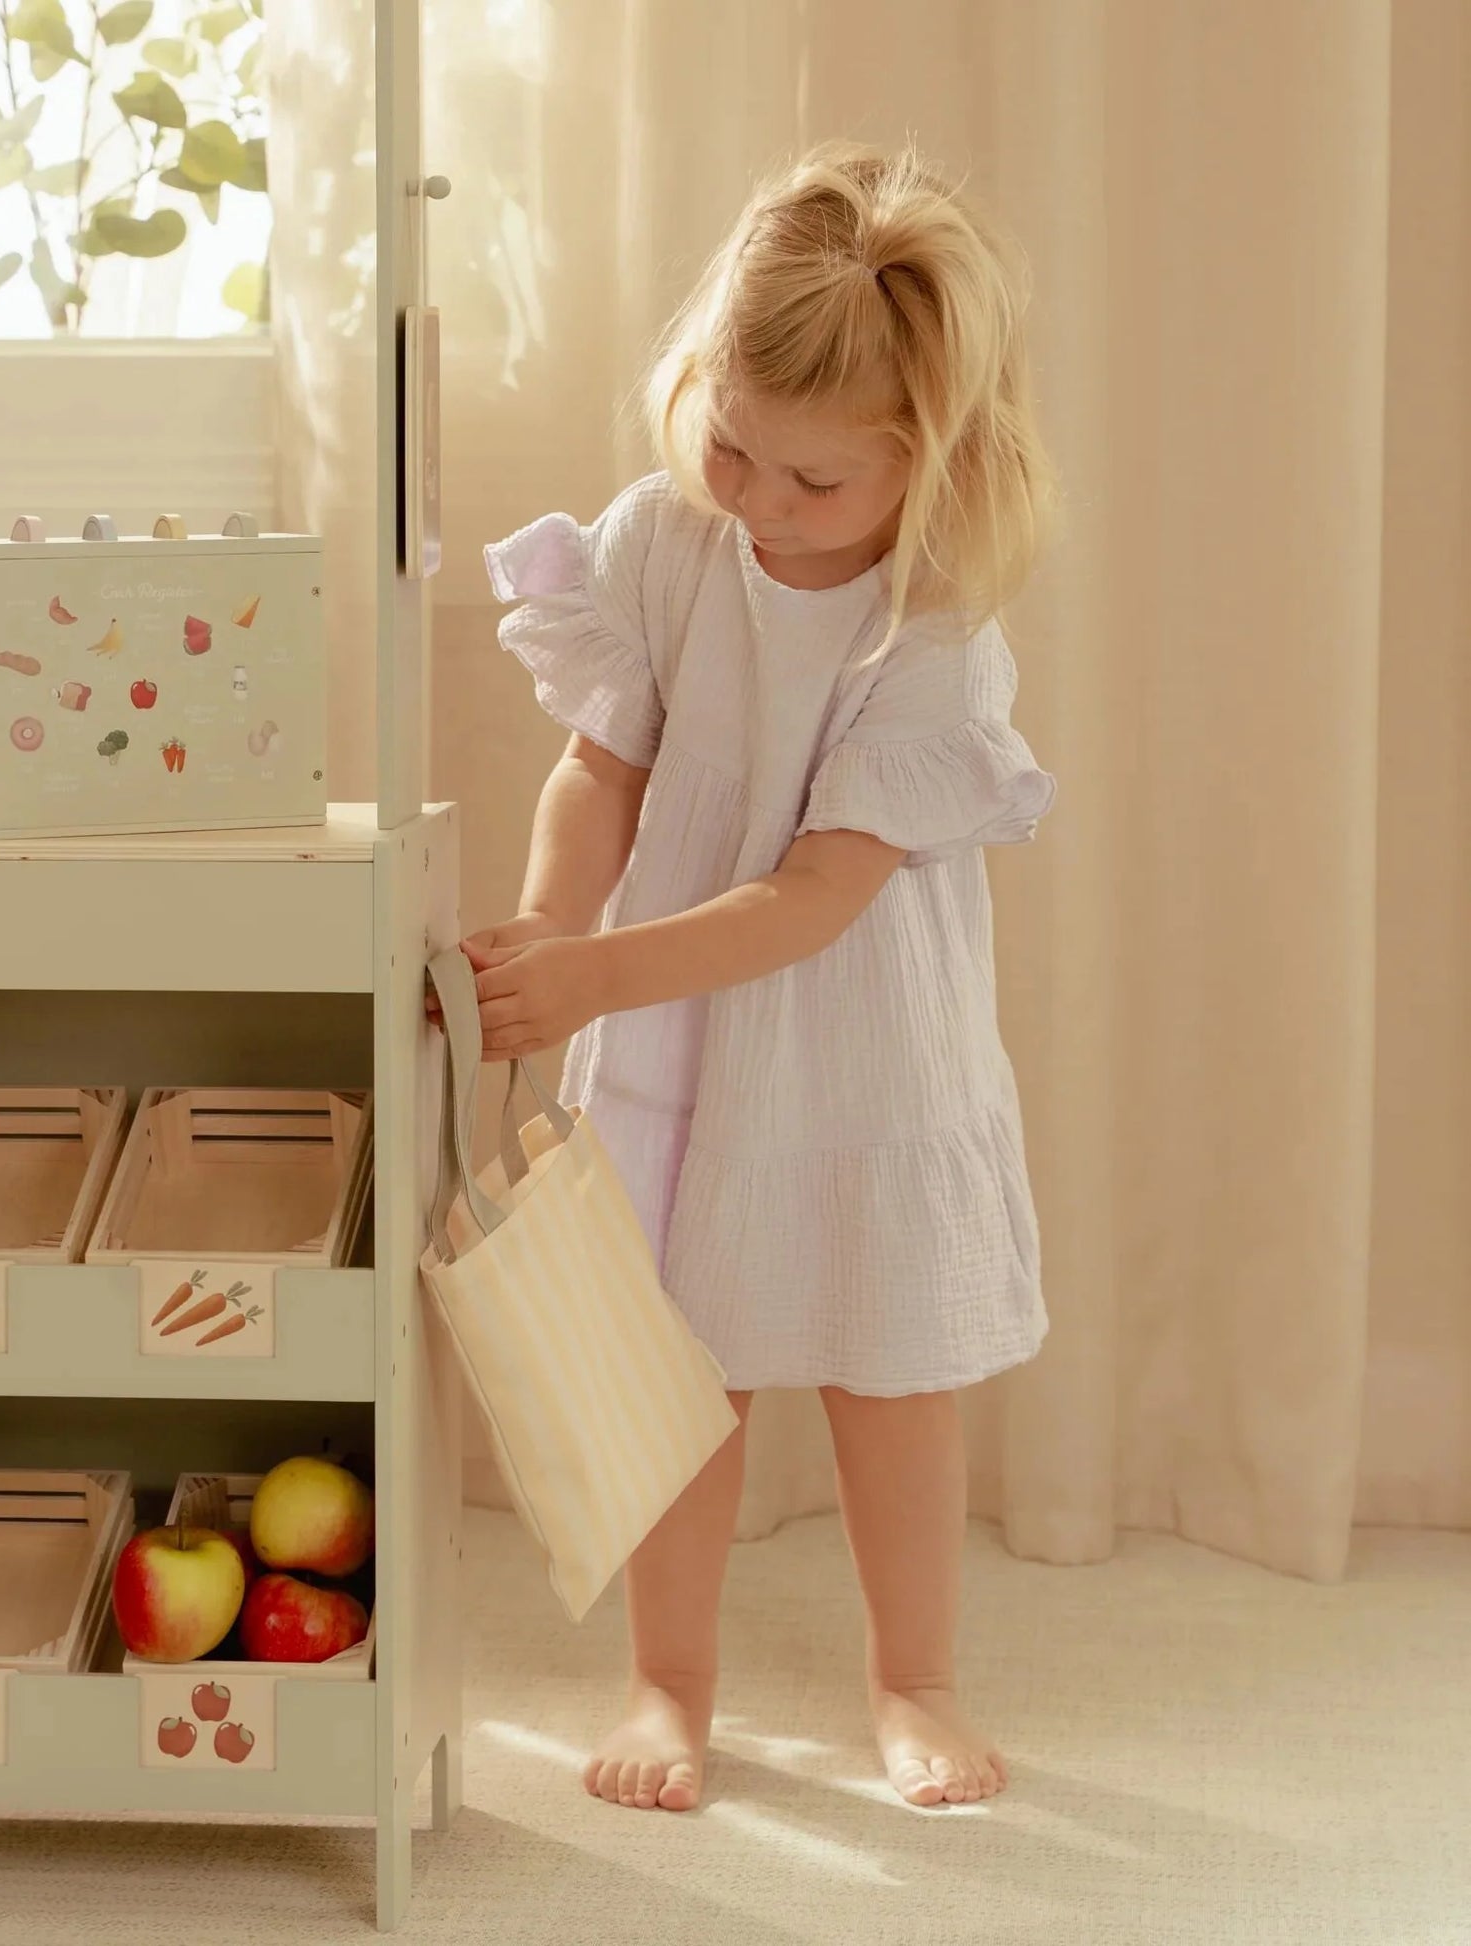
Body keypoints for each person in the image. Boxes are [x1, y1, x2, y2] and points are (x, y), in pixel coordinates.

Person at [470, 140, 1058, 1814]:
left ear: (926, 463)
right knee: (676, 1373)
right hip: (669, 1029)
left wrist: (592, 973)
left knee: (891, 1371)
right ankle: (668, 1682)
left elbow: (812, 896)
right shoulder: (661, 543)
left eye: (816, 482)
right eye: (733, 445)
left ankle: (913, 1676)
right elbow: (604, 771)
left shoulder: (932, 624)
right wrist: (545, 923)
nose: (761, 501)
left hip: (861, 1044)